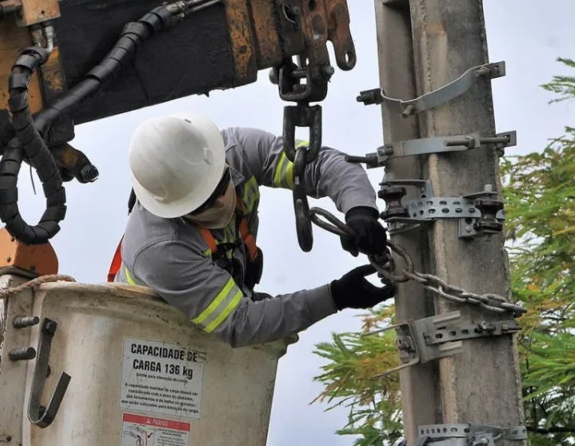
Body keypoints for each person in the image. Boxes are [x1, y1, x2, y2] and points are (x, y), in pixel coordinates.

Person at [107, 112, 394, 348]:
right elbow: (239, 322)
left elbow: (320, 163)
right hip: (148, 344)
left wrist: (359, 210)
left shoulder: (236, 150)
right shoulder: (159, 249)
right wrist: (336, 296)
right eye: (203, 202)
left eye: (221, 184)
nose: (221, 201)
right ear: (175, 209)